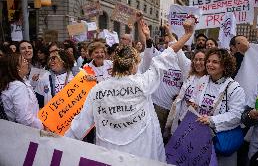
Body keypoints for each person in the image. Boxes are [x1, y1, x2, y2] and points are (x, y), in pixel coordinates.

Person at [65, 19, 195, 162]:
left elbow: (79, 126)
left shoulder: (98, 90)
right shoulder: (143, 83)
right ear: (134, 64)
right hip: (142, 155)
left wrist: (55, 141)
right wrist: (187, 35)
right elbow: (165, 56)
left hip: (110, 156)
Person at [190, 48, 245, 166]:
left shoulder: (234, 88)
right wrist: (193, 103)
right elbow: (194, 97)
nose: (209, 64)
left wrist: (211, 120)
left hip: (220, 139)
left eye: (215, 62)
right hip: (200, 136)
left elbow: (236, 115)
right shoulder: (203, 80)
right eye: (208, 61)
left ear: (225, 66)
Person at [165, 49, 207, 135]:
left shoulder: (210, 80)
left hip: (197, 122)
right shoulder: (190, 76)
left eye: (201, 59)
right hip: (182, 118)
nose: (198, 62)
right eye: (196, 59)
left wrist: (197, 104)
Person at [0, 53, 43, 129]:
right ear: (17, 67)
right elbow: (25, 119)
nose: (27, 62)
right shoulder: (18, 86)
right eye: (23, 60)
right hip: (27, 132)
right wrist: (42, 126)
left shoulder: (11, 83)